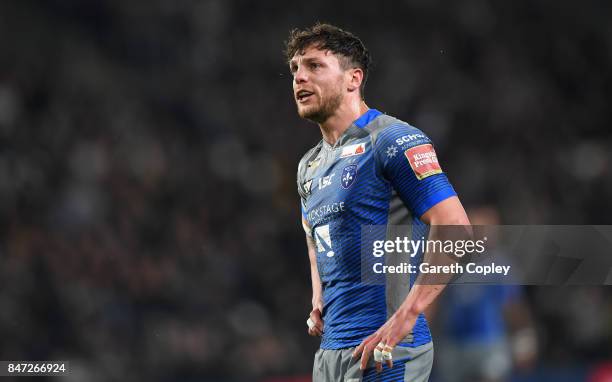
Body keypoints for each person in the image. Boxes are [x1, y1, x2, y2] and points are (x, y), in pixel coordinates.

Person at [286, 23, 470, 381]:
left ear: (354, 79)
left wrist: (409, 314)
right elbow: (313, 232)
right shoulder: (308, 165)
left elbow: (456, 228)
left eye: (314, 66)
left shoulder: (393, 139)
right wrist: (317, 294)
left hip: (388, 352)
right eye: (295, 69)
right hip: (331, 355)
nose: (299, 78)